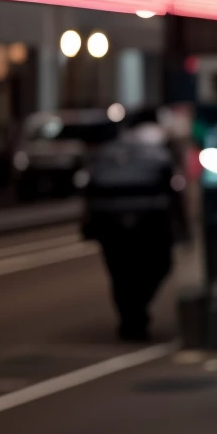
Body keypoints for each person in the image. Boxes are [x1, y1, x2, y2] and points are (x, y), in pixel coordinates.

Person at [82, 118, 183, 339]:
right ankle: (135, 315)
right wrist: (180, 227)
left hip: (112, 223)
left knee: (121, 273)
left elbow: (89, 193)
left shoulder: (104, 156)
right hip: (150, 221)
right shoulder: (157, 154)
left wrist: (89, 225)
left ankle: (131, 317)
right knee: (156, 266)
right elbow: (173, 193)